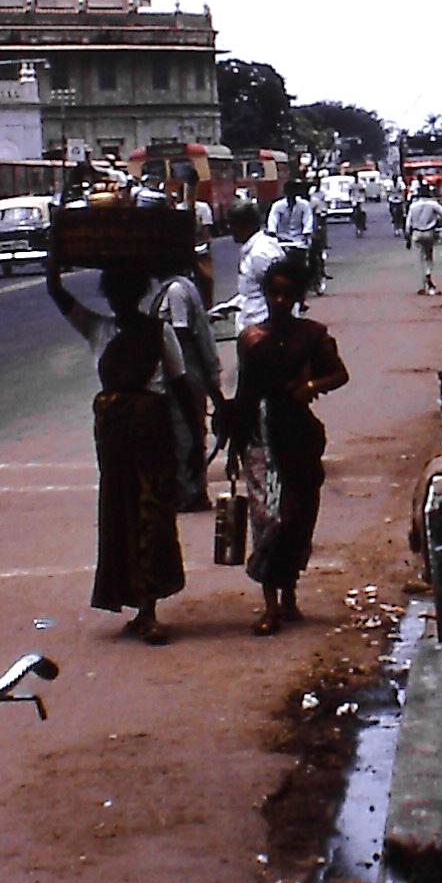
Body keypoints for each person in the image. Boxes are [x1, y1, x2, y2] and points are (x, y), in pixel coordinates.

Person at [45, 259, 187, 642]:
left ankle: (149, 607)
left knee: (152, 514)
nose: (121, 298)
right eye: (115, 291)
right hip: (116, 436)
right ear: (109, 295)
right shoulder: (99, 328)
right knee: (120, 512)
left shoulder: (160, 332)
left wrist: (199, 432)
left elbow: (181, 386)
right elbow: (57, 293)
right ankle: (139, 605)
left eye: (128, 291)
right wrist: (55, 258)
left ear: (138, 294)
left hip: (149, 431)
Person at [227, 257, 349, 634]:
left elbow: (339, 374)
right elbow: (244, 395)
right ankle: (271, 606)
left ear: (298, 296)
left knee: (297, 517)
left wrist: (309, 387)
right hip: (261, 437)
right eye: (273, 293)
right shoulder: (250, 339)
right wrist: (233, 447)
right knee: (268, 518)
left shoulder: (313, 336)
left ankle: (289, 595)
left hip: (298, 435)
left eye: (286, 294)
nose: (279, 300)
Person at [149, 264, 226, 512]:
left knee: (185, 431)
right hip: (187, 372)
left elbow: (180, 336)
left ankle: (190, 492)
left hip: (184, 372)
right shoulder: (179, 287)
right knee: (187, 429)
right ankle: (190, 488)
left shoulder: (175, 291)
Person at [226, 198, 289, 331]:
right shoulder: (255, 250)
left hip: (264, 332)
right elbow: (252, 292)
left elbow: (281, 295)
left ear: (246, 224)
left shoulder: (260, 254)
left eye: (233, 224)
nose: (230, 229)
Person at [406, 186, 442, 293]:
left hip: (416, 233)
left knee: (420, 259)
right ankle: (429, 274)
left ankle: (422, 283)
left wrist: (407, 237)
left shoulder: (413, 206)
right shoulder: (433, 204)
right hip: (429, 233)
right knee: (429, 256)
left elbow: (408, 224)